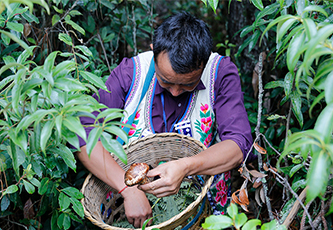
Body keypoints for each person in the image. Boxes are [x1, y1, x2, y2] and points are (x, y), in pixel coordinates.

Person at [77, 11, 254, 228]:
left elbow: (238, 145)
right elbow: (81, 135)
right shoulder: (131, 73)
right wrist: (129, 190)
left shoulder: (220, 73)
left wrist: (186, 167)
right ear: (154, 53)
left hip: (202, 210)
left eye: (188, 85)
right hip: (128, 208)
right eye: (166, 82)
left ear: (204, 64)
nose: (176, 92)